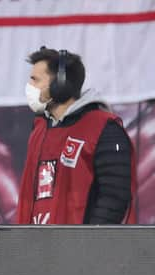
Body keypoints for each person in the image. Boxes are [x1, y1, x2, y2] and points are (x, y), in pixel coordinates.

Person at [17, 47, 136, 224]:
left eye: (35, 80)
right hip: (36, 246)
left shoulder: (104, 128)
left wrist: (88, 244)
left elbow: (115, 196)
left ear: (60, 84)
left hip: (81, 248)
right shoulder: (39, 128)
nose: (29, 87)